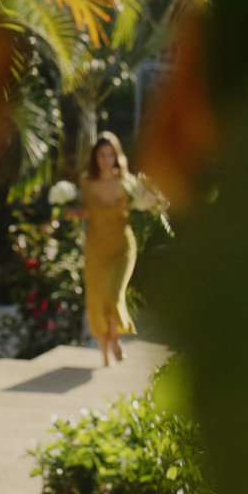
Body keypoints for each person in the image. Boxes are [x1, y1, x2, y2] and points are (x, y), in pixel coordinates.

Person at [71, 131, 143, 366]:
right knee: (95, 301)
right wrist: (69, 212)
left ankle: (115, 340)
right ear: (95, 157)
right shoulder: (86, 182)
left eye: (111, 155)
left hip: (122, 246)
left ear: (117, 156)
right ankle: (104, 355)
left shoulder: (128, 183)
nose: (107, 159)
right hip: (95, 247)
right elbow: (84, 211)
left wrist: (152, 203)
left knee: (113, 294)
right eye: (102, 155)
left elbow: (143, 208)